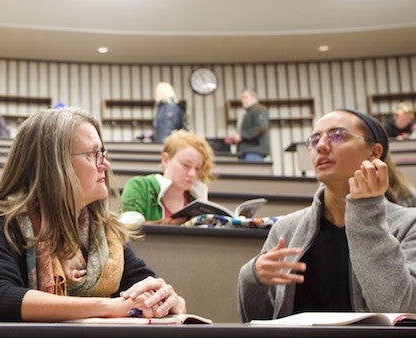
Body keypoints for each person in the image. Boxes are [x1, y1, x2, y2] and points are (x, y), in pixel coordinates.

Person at [0, 107, 187, 322]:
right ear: (54, 164)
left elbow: (142, 285)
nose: (105, 164)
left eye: (103, 153)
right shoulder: (1, 221)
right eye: (93, 154)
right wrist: (107, 307)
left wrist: (166, 300)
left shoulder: (104, 232)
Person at [237, 109, 416, 322]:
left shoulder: (409, 224)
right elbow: (258, 324)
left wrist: (367, 212)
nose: (321, 146)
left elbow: (399, 310)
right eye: (314, 139)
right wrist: (253, 277)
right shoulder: (286, 229)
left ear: (374, 152)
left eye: (337, 135)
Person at [119, 130, 215, 226]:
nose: (192, 173)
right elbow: (127, 229)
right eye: (186, 165)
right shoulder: (139, 186)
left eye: (197, 168)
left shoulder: (198, 199)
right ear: (166, 160)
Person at [225, 88, 270, 161]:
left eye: (245, 97)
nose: (242, 100)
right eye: (242, 98)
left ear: (254, 98)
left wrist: (241, 136)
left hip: (254, 152)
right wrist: (235, 139)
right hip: (243, 152)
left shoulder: (260, 110)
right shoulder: (245, 114)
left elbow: (261, 127)